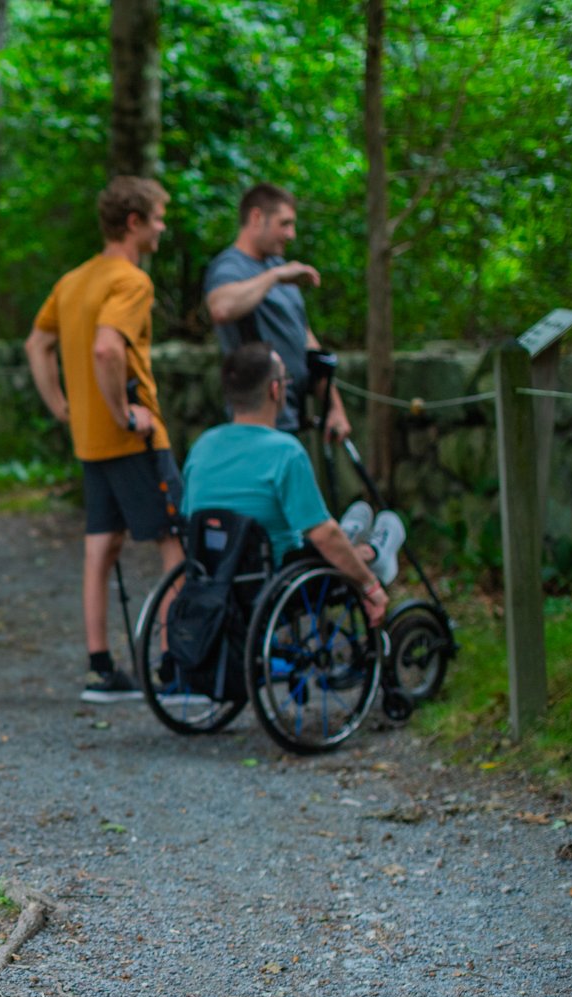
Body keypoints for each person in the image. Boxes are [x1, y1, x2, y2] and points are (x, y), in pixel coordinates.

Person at [25, 175, 185, 702]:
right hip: (133, 439)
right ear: (135, 223)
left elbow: (37, 344)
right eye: (159, 217)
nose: (164, 227)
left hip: (89, 442)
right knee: (174, 544)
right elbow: (107, 349)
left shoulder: (74, 280)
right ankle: (176, 666)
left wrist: (62, 407)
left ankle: (101, 668)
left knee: (102, 549)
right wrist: (124, 412)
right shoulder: (131, 281)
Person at [180, 344, 404, 626]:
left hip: (213, 579)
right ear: (275, 390)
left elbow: (190, 520)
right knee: (365, 529)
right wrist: (370, 587)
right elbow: (321, 535)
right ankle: (374, 553)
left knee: (328, 534)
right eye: (285, 380)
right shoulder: (285, 452)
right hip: (278, 584)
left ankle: (352, 535)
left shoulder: (203, 446)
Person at [203, 182, 353, 441]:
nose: (291, 234)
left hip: (291, 413)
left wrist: (334, 408)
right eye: (284, 224)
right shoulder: (231, 266)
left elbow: (305, 340)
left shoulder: (279, 267)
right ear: (257, 217)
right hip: (256, 420)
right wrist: (275, 276)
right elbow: (221, 307)